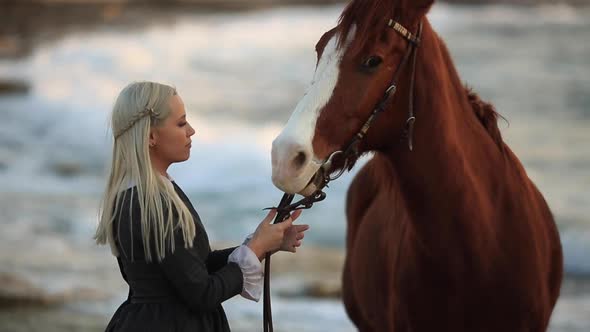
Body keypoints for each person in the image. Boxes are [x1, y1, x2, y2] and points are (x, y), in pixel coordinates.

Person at [94, 81, 309, 331]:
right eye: (181, 123)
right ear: (151, 136)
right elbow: (202, 293)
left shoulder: (136, 195)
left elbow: (194, 265)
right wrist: (256, 249)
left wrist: (261, 245)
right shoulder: (156, 204)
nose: (191, 131)